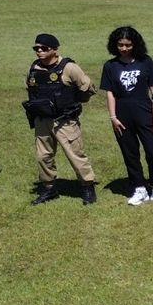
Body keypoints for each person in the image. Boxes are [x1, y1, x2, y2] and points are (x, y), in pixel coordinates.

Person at [24, 33, 98, 205]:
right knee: (43, 156)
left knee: (75, 155)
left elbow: (88, 88)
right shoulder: (34, 68)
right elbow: (30, 88)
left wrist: (73, 103)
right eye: (36, 49)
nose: (39, 52)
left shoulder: (69, 67)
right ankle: (49, 188)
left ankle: (88, 186)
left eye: (44, 48)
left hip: (64, 121)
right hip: (42, 120)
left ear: (55, 50)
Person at [102, 27, 153, 205]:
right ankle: (138, 187)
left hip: (145, 112)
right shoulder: (110, 66)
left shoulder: (145, 62)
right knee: (130, 153)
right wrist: (113, 117)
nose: (124, 48)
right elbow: (110, 94)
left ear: (135, 44)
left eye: (128, 45)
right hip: (122, 116)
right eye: (120, 45)